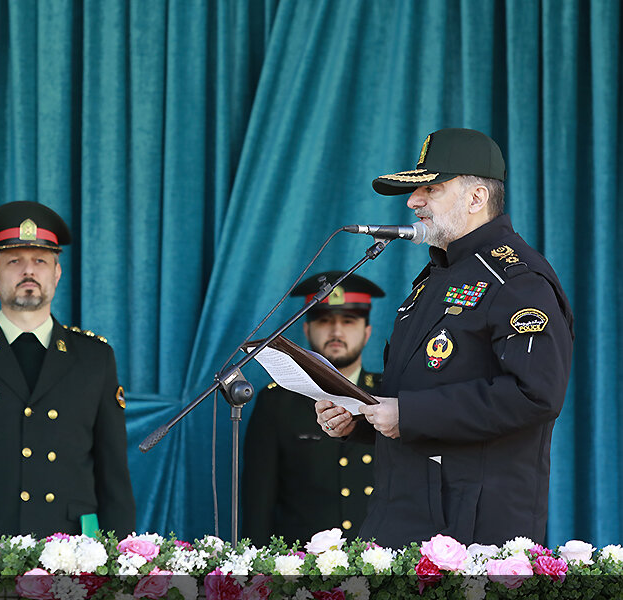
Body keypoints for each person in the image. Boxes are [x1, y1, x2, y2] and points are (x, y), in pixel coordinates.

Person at [315, 128, 574, 547]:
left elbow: (535, 395)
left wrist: (409, 414)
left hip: (470, 531)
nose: (412, 201)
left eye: (430, 189)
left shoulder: (517, 280)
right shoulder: (438, 275)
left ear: (476, 198)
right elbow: (423, 391)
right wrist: (359, 418)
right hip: (401, 518)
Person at [0, 201, 136, 538]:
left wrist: (118, 556)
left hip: (71, 551)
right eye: (14, 261)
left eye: (40, 261)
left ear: (57, 273)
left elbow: (114, 477)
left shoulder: (95, 359)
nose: (28, 271)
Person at [243, 272, 384, 545]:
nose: (336, 332)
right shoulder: (277, 402)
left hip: (379, 557)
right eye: (324, 320)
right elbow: (258, 502)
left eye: (348, 321)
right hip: (302, 562)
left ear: (367, 332)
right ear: (307, 329)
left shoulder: (387, 395)